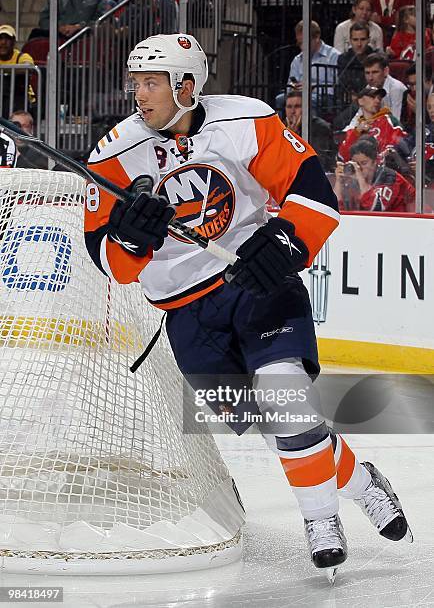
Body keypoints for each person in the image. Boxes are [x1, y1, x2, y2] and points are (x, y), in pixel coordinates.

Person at [84, 33, 412, 580]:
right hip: (187, 318)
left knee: (287, 403)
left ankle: (322, 524)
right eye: (134, 82)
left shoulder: (245, 120)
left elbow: (315, 196)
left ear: (186, 86)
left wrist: (284, 243)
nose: (139, 94)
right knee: (277, 426)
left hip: (256, 289)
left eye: (151, 83)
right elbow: (112, 265)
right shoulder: (114, 154)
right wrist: (133, 241)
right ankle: (360, 479)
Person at [335, 137, 414, 211]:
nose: (359, 167)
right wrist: (338, 182)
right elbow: (334, 208)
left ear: (375, 162)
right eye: (356, 163)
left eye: (364, 163)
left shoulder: (390, 177)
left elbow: (376, 208)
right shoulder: (352, 177)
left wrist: (360, 178)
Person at [338, 85, 407, 161]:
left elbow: (401, 145)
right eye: (372, 97)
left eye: (379, 98)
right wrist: (356, 132)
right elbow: (343, 156)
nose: (377, 101)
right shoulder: (354, 128)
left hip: (384, 168)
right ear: (360, 101)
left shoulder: (389, 120)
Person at [287, 21, 340, 110]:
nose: (302, 47)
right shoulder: (297, 59)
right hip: (300, 96)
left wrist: (312, 88)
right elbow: (289, 85)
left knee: (308, 102)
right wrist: (294, 88)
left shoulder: (333, 56)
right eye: (300, 43)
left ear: (317, 37)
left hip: (323, 97)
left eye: (305, 43)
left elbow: (335, 87)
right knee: (280, 99)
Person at [284, 90, 337, 171]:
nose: (292, 111)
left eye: (297, 106)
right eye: (289, 107)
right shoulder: (281, 127)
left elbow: (317, 160)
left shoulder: (320, 127)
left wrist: (293, 138)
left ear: (306, 108)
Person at [0, 25, 36, 117]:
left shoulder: (22, 56)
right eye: (0, 39)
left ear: (13, 42)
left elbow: (28, 67)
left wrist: (3, 70)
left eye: (7, 39)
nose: (3, 42)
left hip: (21, 101)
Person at [34, 0, 107, 39]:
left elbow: (103, 21)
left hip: (86, 41)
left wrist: (79, 27)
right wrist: (59, 27)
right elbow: (44, 20)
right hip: (58, 40)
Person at [337, 22, 377, 97]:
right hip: (350, 102)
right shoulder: (344, 59)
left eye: (363, 39)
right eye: (355, 40)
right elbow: (343, 87)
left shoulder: (376, 59)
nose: (359, 44)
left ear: (369, 40)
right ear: (350, 41)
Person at [363, 52, 407, 119]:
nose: (370, 78)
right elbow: (359, 116)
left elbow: (396, 121)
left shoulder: (397, 89)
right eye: (367, 73)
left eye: (375, 72)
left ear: (386, 71)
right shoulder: (368, 88)